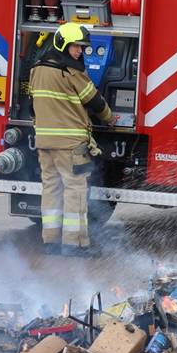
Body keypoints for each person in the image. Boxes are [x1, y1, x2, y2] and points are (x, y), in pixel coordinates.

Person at [29, 22, 114, 256]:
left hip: (44, 142)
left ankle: (51, 241)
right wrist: (110, 118)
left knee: (51, 189)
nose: (80, 52)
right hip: (70, 144)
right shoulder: (72, 73)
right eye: (76, 47)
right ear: (63, 45)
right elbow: (95, 102)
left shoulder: (37, 69)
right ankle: (73, 245)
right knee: (75, 190)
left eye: (81, 47)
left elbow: (32, 105)